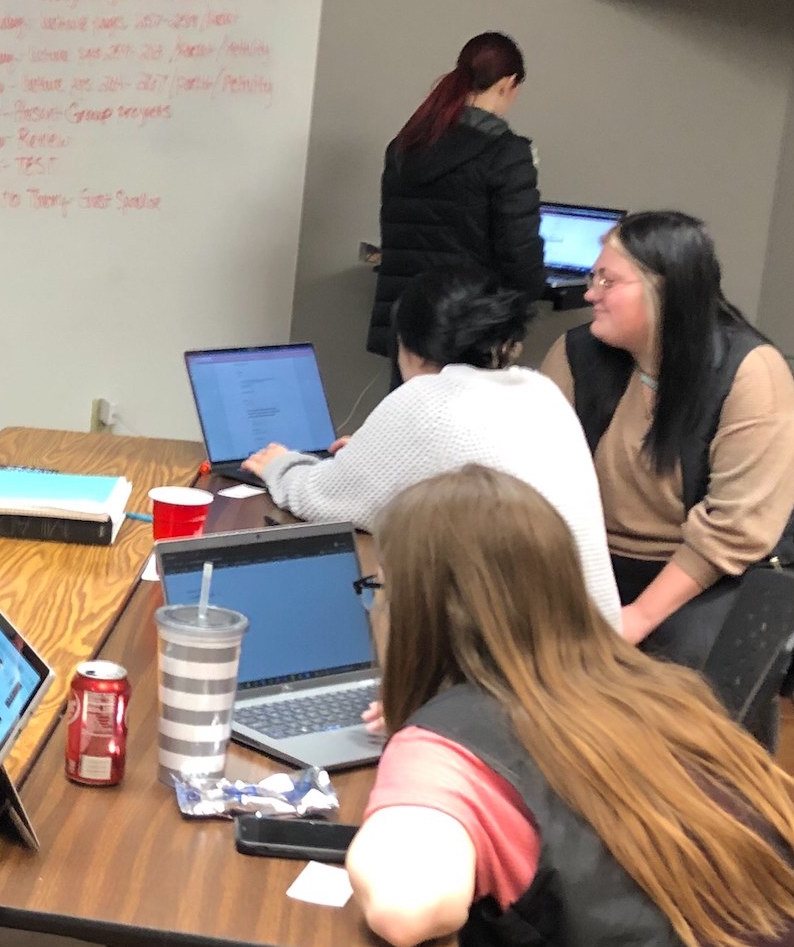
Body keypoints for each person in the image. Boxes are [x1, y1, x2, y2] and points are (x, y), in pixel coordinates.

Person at [348, 465, 794, 947]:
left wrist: (418, 765)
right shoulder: (668, 692)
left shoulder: (447, 750)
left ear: (423, 609)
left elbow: (406, 910)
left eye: (383, 591)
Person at [244, 266, 621, 628]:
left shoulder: (428, 399)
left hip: (520, 656)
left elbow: (323, 499)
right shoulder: (537, 389)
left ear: (408, 344)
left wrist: (282, 465)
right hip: (594, 639)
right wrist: (378, 450)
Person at [539, 211, 794, 674]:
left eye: (606, 280)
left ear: (663, 289)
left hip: (707, 574)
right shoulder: (576, 354)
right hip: (588, 560)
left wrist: (638, 616)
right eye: (592, 277)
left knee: (672, 675)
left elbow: (735, 529)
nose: (589, 293)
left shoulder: (751, 372)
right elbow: (532, 475)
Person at [369, 31, 544, 384]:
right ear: (509, 84)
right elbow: (518, 251)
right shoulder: (506, 154)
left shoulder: (407, 144)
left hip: (408, 319)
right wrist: (523, 305)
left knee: (406, 425)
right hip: (466, 324)